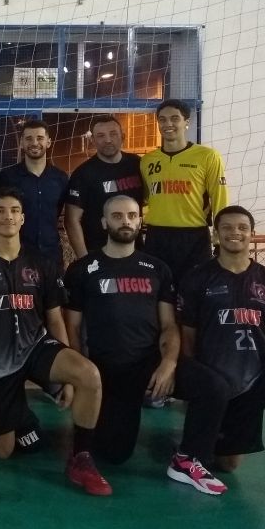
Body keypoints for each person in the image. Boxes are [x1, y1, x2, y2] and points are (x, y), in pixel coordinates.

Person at [0, 186, 111, 496]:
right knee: (4, 452)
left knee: (89, 375)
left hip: (35, 347)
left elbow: (54, 319)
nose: (7, 216)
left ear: (22, 218)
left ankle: (81, 457)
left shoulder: (41, 263)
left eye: (14, 211)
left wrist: (68, 378)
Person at [64, 195, 230, 494]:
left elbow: (168, 325)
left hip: (149, 364)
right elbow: (73, 327)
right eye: (117, 216)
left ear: (140, 220)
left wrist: (168, 363)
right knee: (114, 455)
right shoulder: (82, 269)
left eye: (131, 215)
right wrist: (79, 373)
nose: (125, 221)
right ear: (104, 222)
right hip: (107, 370)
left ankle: (188, 458)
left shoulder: (156, 269)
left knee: (214, 387)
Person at [177, 205, 265, 476]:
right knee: (228, 465)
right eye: (226, 227)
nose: (234, 232)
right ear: (215, 235)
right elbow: (188, 337)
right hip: (218, 377)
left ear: (252, 234)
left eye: (242, 227)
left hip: (264, 371)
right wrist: (195, 384)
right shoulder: (197, 278)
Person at [140, 99, 229, 285]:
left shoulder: (208, 156)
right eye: (162, 120)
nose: (168, 124)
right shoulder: (147, 160)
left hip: (194, 237)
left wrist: (220, 239)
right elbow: (146, 199)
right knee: (159, 291)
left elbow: (219, 198)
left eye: (174, 118)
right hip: (157, 237)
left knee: (194, 291)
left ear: (186, 122)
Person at [64, 116, 144, 259]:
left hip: (135, 251)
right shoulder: (83, 174)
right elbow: (72, 220)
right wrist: (85, 260)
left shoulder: (137, 164)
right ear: (92, 140)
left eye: (113, 134)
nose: (108, 140)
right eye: (101, 136)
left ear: (123, 136)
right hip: (98, 253)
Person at [0, 119, 68, 266]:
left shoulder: (60, 178)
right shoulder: (7, 177)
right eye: (29, 138)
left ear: (48, 142)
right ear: (22, 143)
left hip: (51, 256)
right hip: (17, 257)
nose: (34, 143)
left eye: (40, 138)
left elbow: (58, 211)